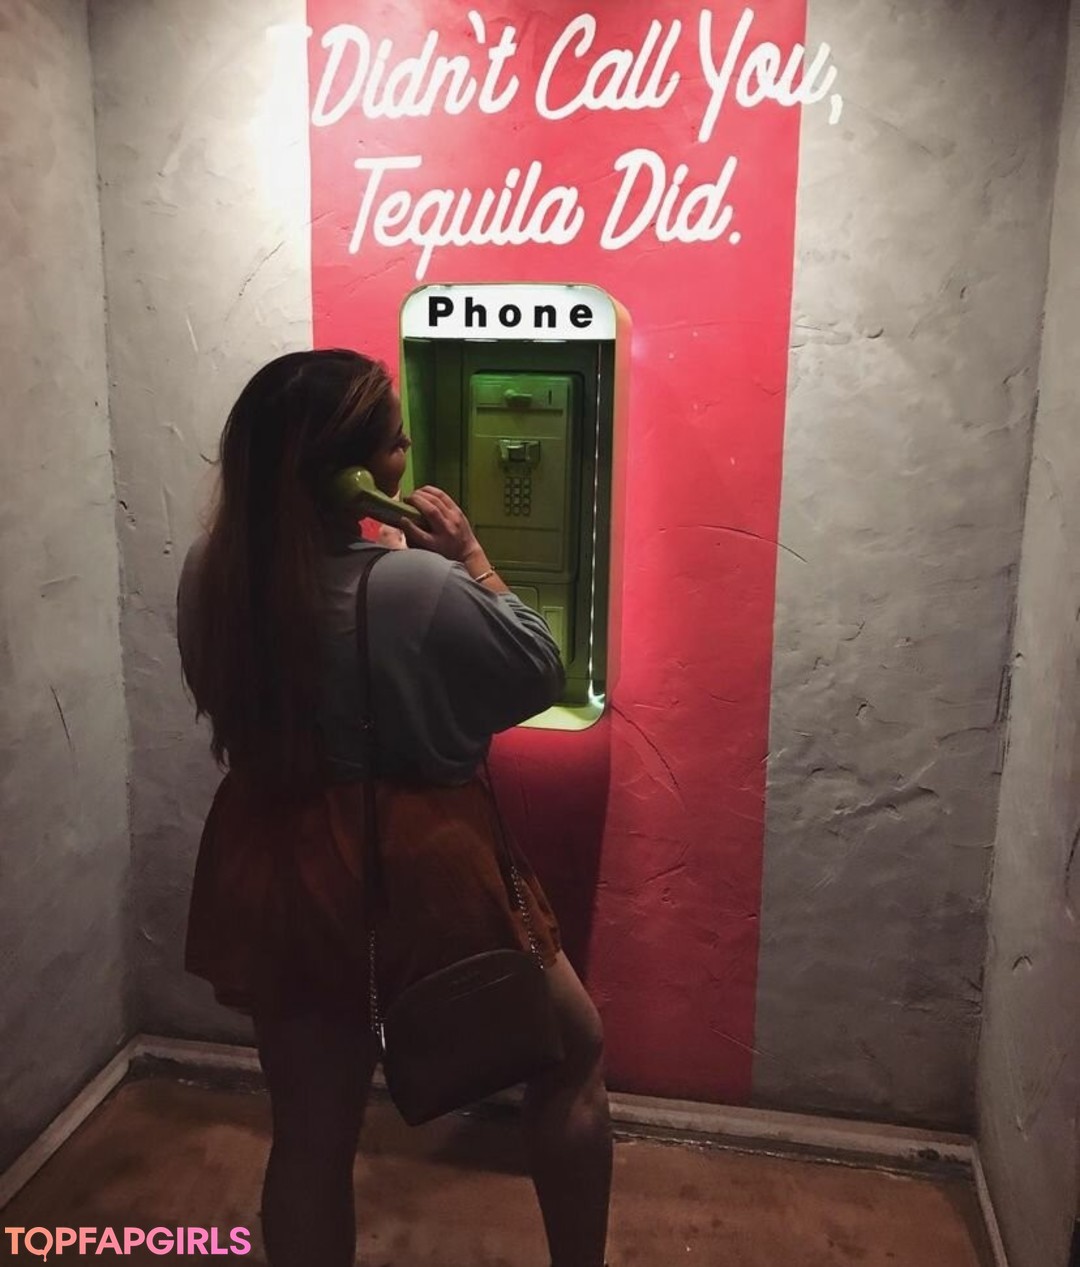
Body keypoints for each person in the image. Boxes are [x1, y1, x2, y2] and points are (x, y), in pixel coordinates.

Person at [175, 349, 612, 1267]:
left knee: (309, 1135)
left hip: (277, 861)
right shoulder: (414, 585)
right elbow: (538, 667)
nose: (408, 453)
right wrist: (470, 556)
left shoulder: (213, 576)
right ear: (348, 470)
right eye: (395, 441)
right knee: (572, 1054)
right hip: (415, 863)